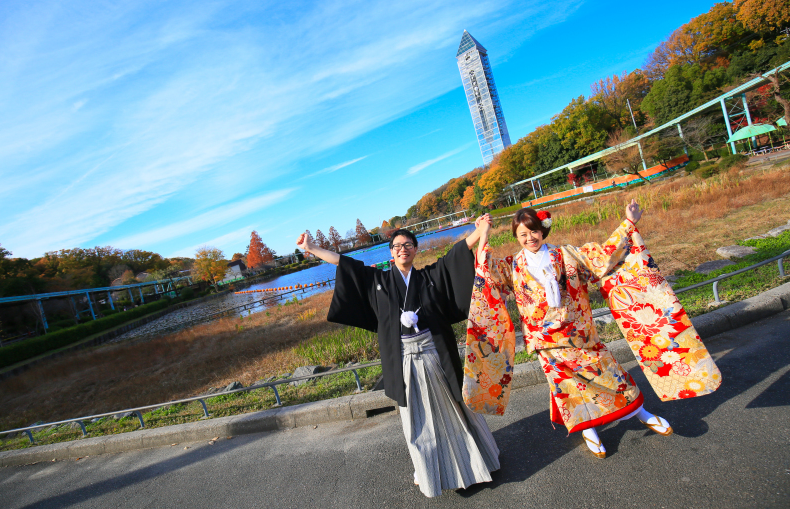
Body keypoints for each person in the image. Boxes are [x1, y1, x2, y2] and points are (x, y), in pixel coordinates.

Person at [463, 201, 721, 459]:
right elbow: (485, 270)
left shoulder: (566, 254)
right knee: (571, 391)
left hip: (579, 333)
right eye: (523, 234)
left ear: (542, 231)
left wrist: (629, 223)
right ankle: (589, 432)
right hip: (546, 342)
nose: (529, 238)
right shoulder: (512, 266)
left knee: (611, 374)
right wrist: (484, 233)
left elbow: (605, 256)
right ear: (516, 237)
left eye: (533, 231)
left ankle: (642, 413)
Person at [297, 218, 500, 497]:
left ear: (415, 250)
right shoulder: (378, 281)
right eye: (397, 246)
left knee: (455, 408)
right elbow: (344, 264)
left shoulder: (429, 277)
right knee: (417, 420)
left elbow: (455, 255)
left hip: (433, 355)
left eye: (408, 245)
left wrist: (480, 231)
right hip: (405, 360)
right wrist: (312, 248)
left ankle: (475, 462)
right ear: (391, 253)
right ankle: (427, 466)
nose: (402, 249)